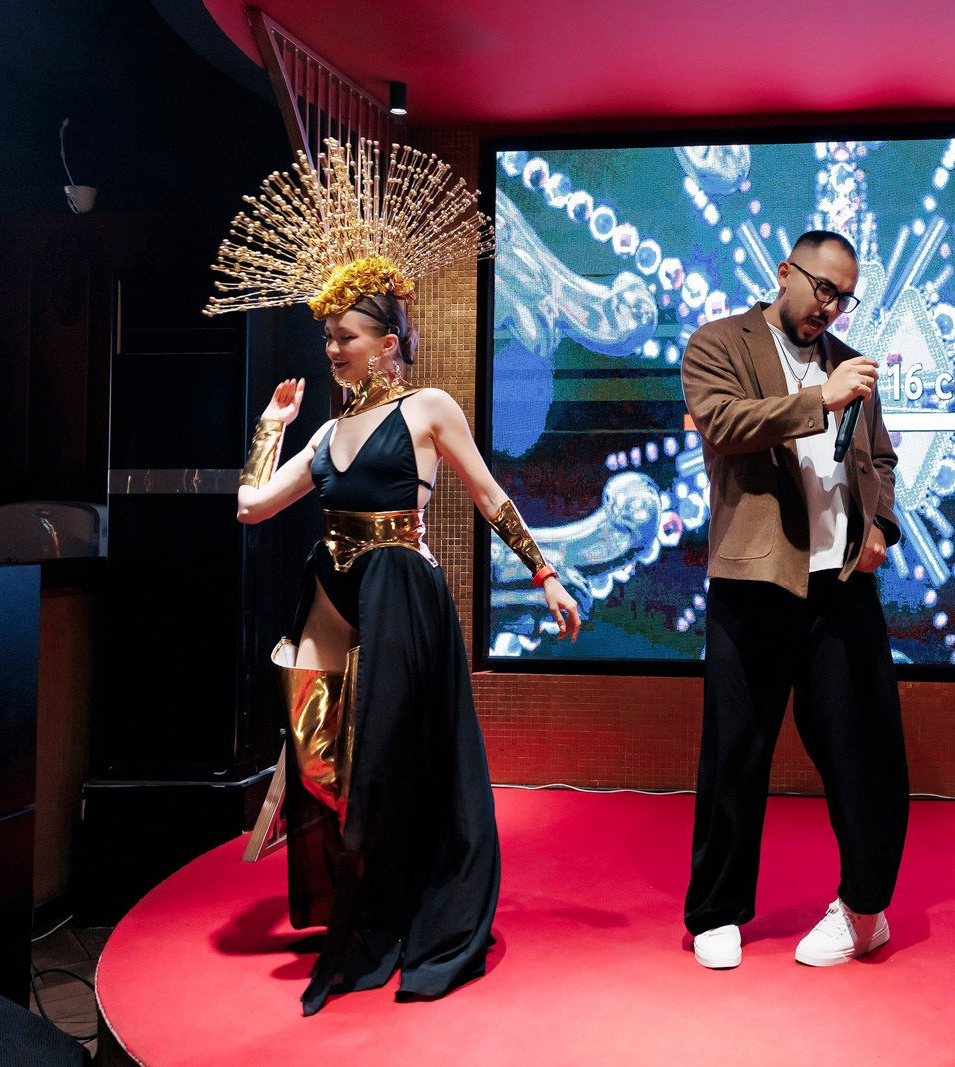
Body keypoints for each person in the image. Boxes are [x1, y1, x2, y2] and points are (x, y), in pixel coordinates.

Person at [214, 139, 580, 1015]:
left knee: (384, 763)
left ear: (387, 341)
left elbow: (489, 495)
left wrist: (546, 574)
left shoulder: (428, 408)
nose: (332, 349)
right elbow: (252, 507)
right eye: (328, 338)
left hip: (401, 592)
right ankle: (372, 900)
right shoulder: (323, 432)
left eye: (345, 337)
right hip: (334, 592)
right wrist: (269, 426)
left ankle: (407, 913)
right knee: (324, 761)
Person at [680, 229, 909, 970]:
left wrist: (881, 527)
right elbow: (725, 424)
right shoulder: (719, 342)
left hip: (841, 583)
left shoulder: (850, 363)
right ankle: (716, 911)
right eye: (822, 290)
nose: (830, 308)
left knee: (864, 752)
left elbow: (880, 459)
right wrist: (819, 399)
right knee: (736, 752)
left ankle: (865, 910)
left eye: (844, 299)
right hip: (755, 579)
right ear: (786, 272)